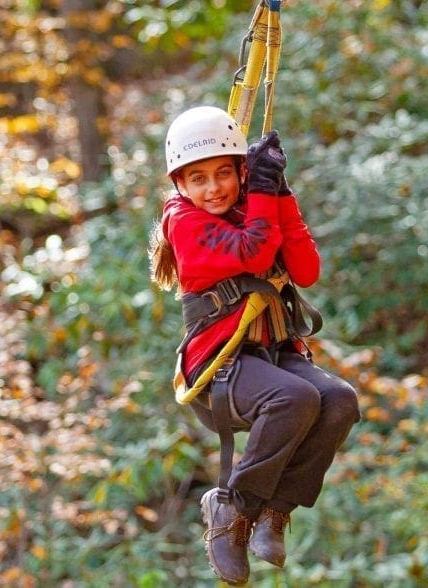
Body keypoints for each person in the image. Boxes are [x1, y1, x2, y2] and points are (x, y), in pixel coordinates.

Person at [149, 106, 360, 585]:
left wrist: (279, 193)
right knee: (295, 398)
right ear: (180, 185)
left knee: (339, 401)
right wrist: (263, 192)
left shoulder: (254, 204)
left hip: (270, 354)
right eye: (198, 178)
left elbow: (305, 271)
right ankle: (230, 507)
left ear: (241, 171)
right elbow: (253, 252)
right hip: (220, 366)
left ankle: (275, 511)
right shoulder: (182, 221)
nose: (214, 188)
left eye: (225, 172)